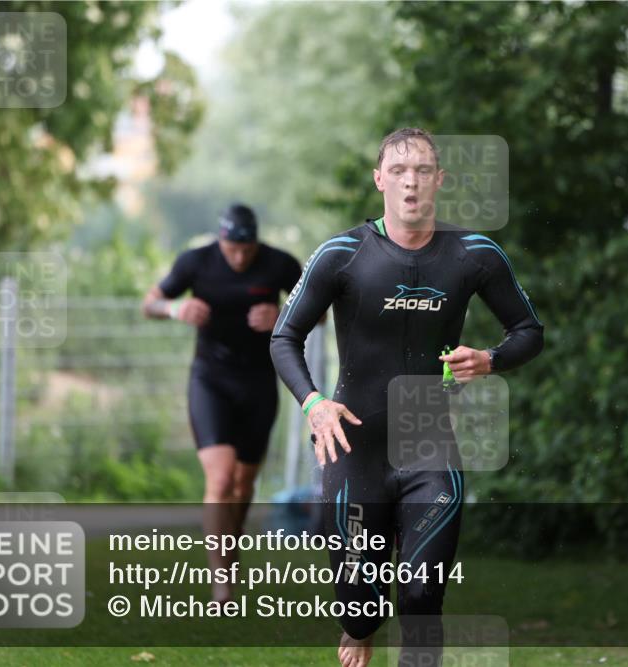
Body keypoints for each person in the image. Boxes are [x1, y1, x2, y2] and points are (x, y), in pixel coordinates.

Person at [270, 128, 543, 667]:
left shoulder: (474, 254)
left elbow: (528, 332)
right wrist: (313, 403)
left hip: (431, 444)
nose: (411, 182)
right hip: (355, 445)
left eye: (422, 171)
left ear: (439, 180)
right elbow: (284, 336)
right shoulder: (342, 255)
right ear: (380, 180)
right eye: (398, 171)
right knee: (360, 607)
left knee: (421, 599)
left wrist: (489, 359)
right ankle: (359, 627)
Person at [142, 203, 302, 602]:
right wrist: (175, 307)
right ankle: (222, 582)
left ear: (256, 241)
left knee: (244, 483)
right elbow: (150, 303)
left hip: (260, 381)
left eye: (247, 249)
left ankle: (230, 554)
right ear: (221, 239)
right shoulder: (196, 262)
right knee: (220, 478)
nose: (240, 256)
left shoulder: (280, 264)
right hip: (210, 380)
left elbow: (315, 313)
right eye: (233, 247)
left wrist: (282, 314)